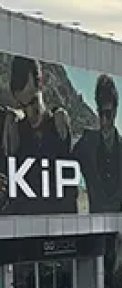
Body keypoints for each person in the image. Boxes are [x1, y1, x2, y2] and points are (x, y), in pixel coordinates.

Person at [1, 55, 76, 214]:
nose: (30, 114)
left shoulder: (58, 125)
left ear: (41, 83)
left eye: (33, 103)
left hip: (59, 226)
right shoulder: (16, 131)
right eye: (23, 105)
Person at [73, 74, 122, 214]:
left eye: (108, 114)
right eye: (101, 113)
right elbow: (62, 160)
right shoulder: (86, 143)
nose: (104, 121)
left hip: (117, 231)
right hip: (93, 229)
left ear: (115, 111)